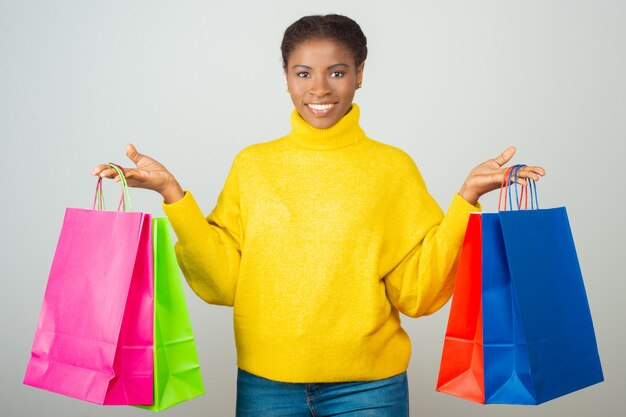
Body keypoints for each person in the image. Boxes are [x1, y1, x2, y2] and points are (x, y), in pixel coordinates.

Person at [93, 14, 544, 417]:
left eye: (337, 72)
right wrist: (174, 196)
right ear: (285, 78)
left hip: (370, 389)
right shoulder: (253, 165)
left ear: (360, 75)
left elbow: (418, 295)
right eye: (303, 73)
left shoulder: (392, 167)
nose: (320, 89)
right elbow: (223, 283)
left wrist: (465, 200)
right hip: (265, 383)